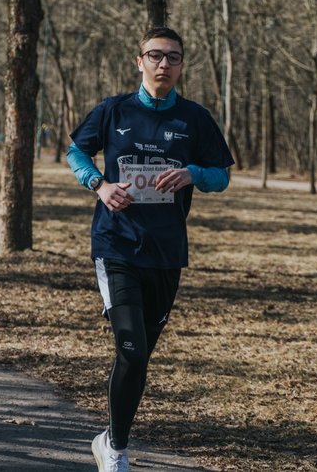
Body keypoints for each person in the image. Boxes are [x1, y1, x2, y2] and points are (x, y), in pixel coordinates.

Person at [66, 27, 234, 472]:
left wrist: (192, 173)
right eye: (155, 56)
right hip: (116, 245)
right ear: (138, 61)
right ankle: (117, 450)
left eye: (173, 58)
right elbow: (75, 153)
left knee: (141, 355)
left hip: (166, 252)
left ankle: (108, 436)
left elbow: (222, 177)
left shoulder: (195, 119)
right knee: (132, 349)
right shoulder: (113, 110)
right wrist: (98, 185)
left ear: (181, 65)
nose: (164, 64)